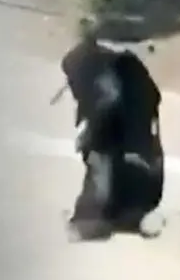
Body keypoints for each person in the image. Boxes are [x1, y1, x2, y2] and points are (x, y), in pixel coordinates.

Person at [60, 35, 165, 241]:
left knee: (103, 157)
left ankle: (96, 220)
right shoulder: (131, 73)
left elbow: (106, 107)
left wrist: (90, 132)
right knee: (109, 157)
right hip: (131, 132)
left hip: (120, 128)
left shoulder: (104, 73)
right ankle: (117, 215)